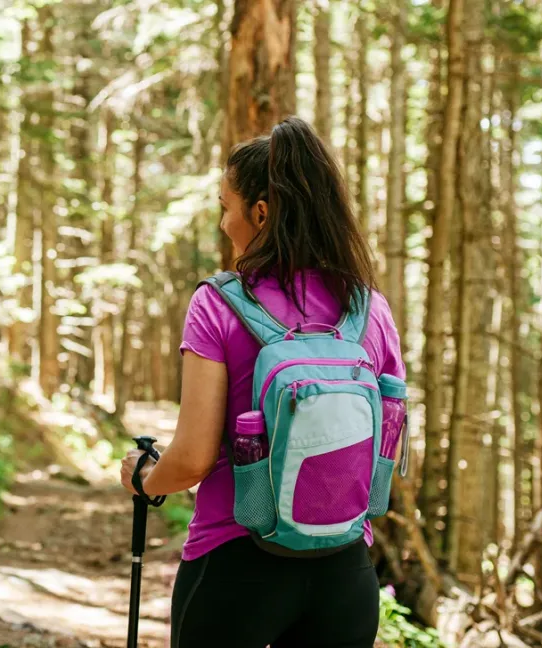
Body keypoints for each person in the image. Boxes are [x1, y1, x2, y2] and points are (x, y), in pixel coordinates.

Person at [120, 116, 406, 647]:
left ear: (260, 212)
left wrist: (142, 478)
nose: (223, 223)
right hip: (344, 573)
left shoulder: (218, 304)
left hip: (234, 566)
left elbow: (191, 460)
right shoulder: (369, 309)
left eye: (225, 206)